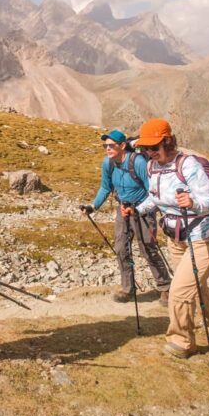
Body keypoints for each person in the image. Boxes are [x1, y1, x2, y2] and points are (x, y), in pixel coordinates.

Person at [133, 118, 209, 359]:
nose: (149, 152)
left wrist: (193, 203)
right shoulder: (151, 167)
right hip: (175, 237)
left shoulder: (188, 166)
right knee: (193, 289)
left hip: (204, 236)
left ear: (168, 141)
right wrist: (137, 209)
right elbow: (155, 198)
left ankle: (182, 341)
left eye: (154, 147)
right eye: (145, 149)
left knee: (179, 292)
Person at [80, 129, 172, 305]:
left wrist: (141, 209)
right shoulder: (108, 163)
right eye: (105, 146)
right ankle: (127, 288)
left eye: (111, 145)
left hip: (143, 210)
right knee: (121, 247)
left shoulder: (137, 162)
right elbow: (105, 187)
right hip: (123, 209)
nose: (107, 149)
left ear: (122, 146)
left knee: (147, 247)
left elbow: (151, 189)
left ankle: (165, 287)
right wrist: (92, 207)